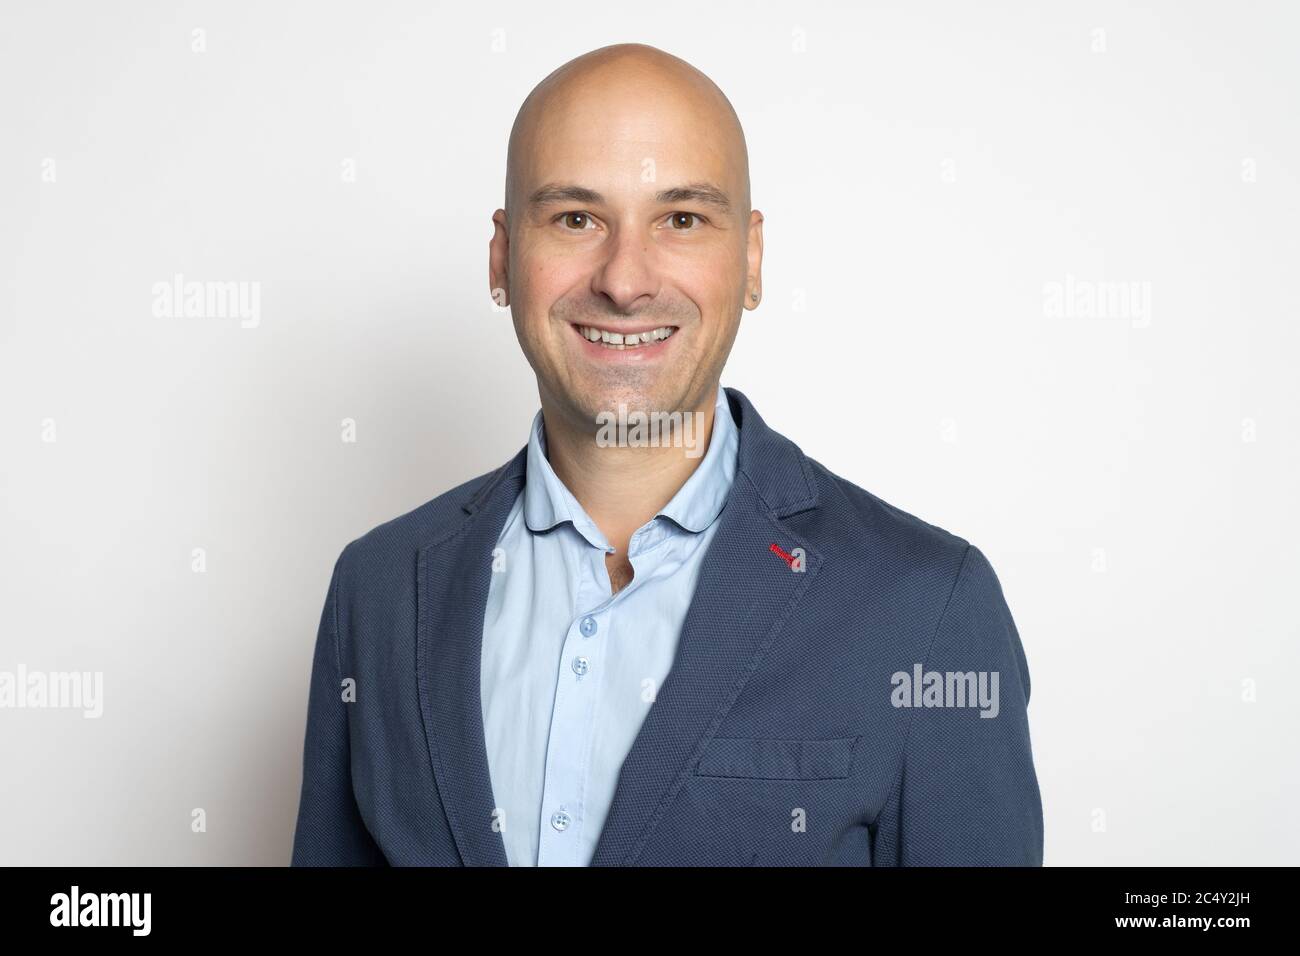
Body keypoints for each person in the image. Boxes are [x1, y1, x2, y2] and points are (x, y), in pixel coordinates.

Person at [291, 42, 1043, 866]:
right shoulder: (378, 588)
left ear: (750, 261)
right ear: (503, 256)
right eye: (575, 218)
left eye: (681, 218)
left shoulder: (926, 608)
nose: (624, 280)